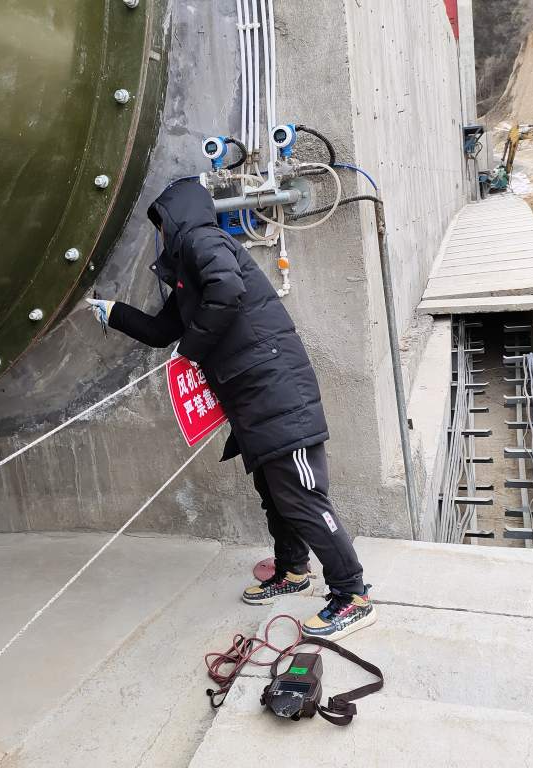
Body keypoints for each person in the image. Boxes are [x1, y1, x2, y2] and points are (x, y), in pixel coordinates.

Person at [85, 179, 375, 641]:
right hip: (250, 398)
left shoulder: (204, 240)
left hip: (278, 392)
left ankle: (352, 594)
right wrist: (112, 311)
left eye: (162, 222)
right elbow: (161, 332)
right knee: (275, 493)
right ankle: (293, 570)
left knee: (302, 496)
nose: (161, 232)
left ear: (177, 216)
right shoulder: (188, 276)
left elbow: (228, 289)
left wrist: (192, 350)